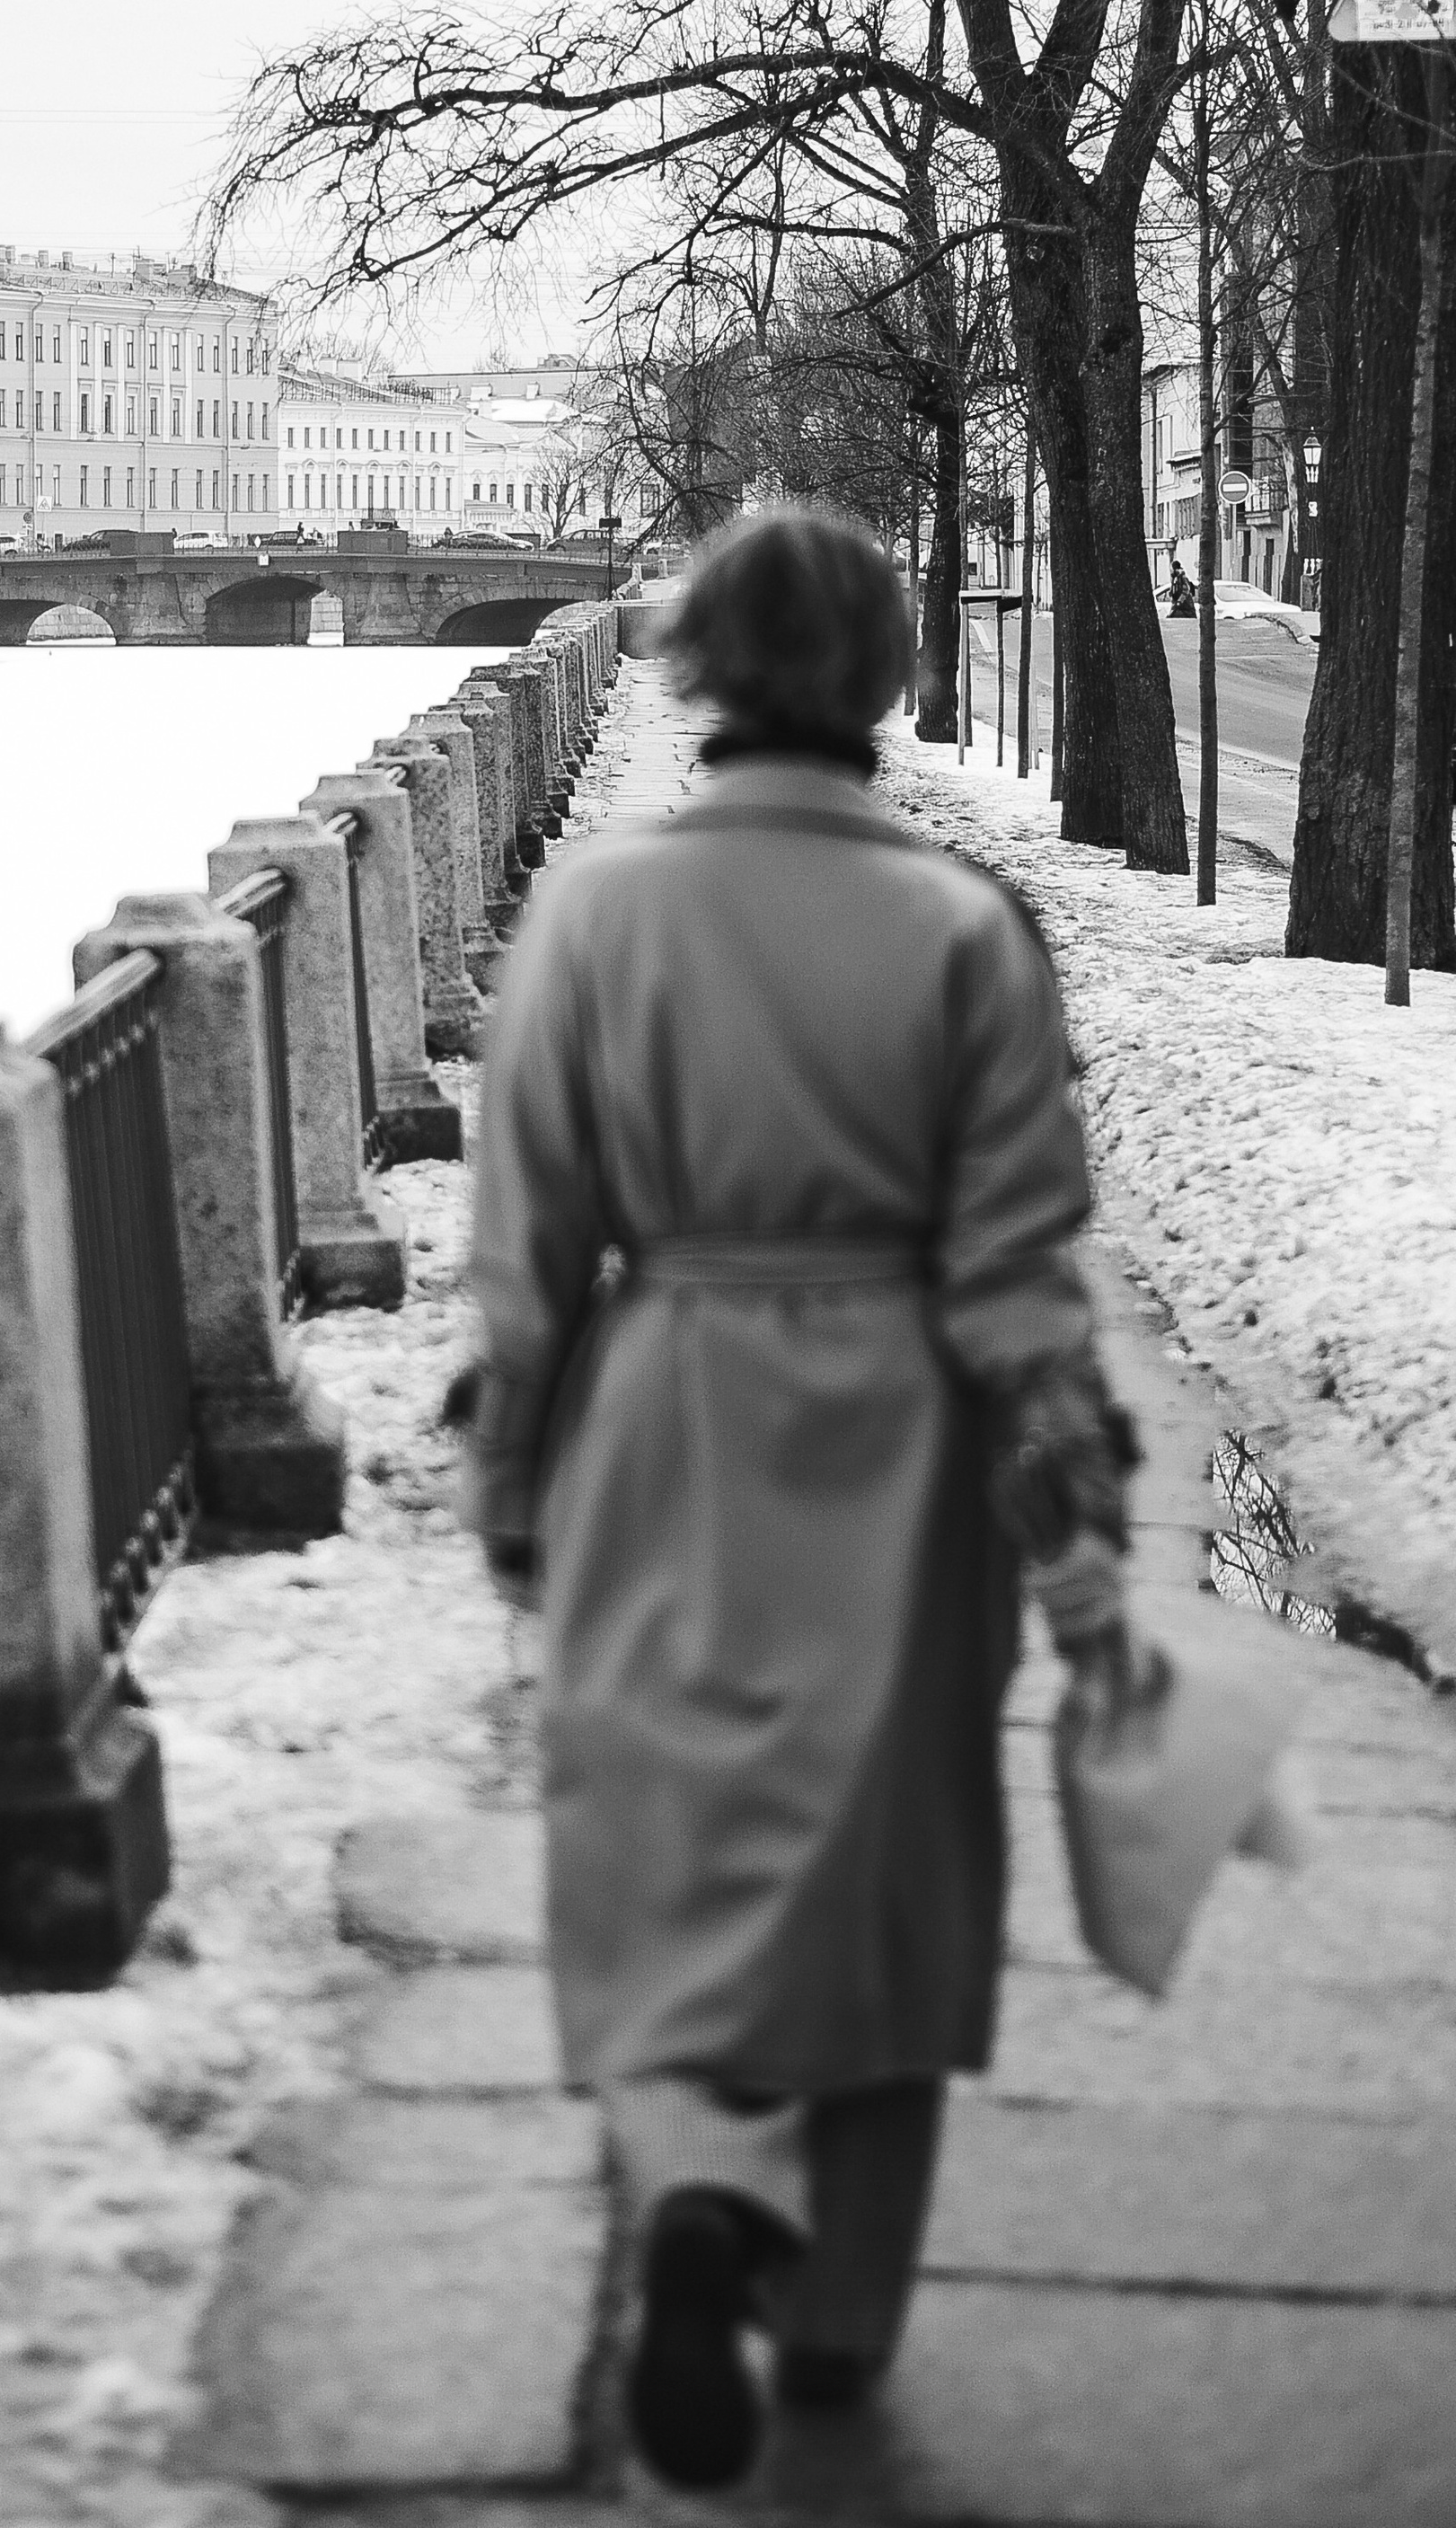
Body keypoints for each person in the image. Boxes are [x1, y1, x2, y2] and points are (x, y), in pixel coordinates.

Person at [466, 508, 1134, 2491]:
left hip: (662, 1410)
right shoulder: (956, 934)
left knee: (666, 1836)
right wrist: (1070, 1491)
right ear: (885, 677)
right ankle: (834, 2322)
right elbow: (1020, 1261)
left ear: (690, 669)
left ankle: (695, 2178)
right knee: (879, 1854)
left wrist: (517, 1472)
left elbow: (527, 1254)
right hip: (906, 1443)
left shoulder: (594, 919)